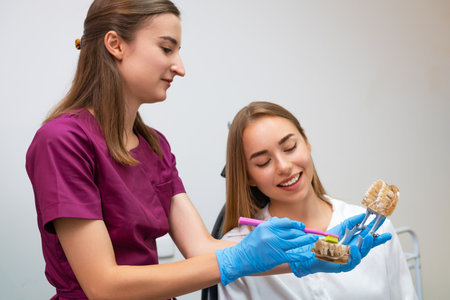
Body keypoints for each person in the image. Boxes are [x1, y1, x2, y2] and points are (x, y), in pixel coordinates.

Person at [25, 2, 388, 299]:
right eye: (167, 48)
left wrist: (311, 255)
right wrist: (244, 257)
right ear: (115, 44)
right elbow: (104, 286)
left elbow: (201, 249)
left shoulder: (155, 146)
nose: (179, 67)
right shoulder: (63, 141)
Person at [217, 101, 417, 300]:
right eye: (263, 162)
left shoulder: (373, 231)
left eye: (290, 147)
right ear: (248, 176)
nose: (284, 167)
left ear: (306, 141)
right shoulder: (237, 250)